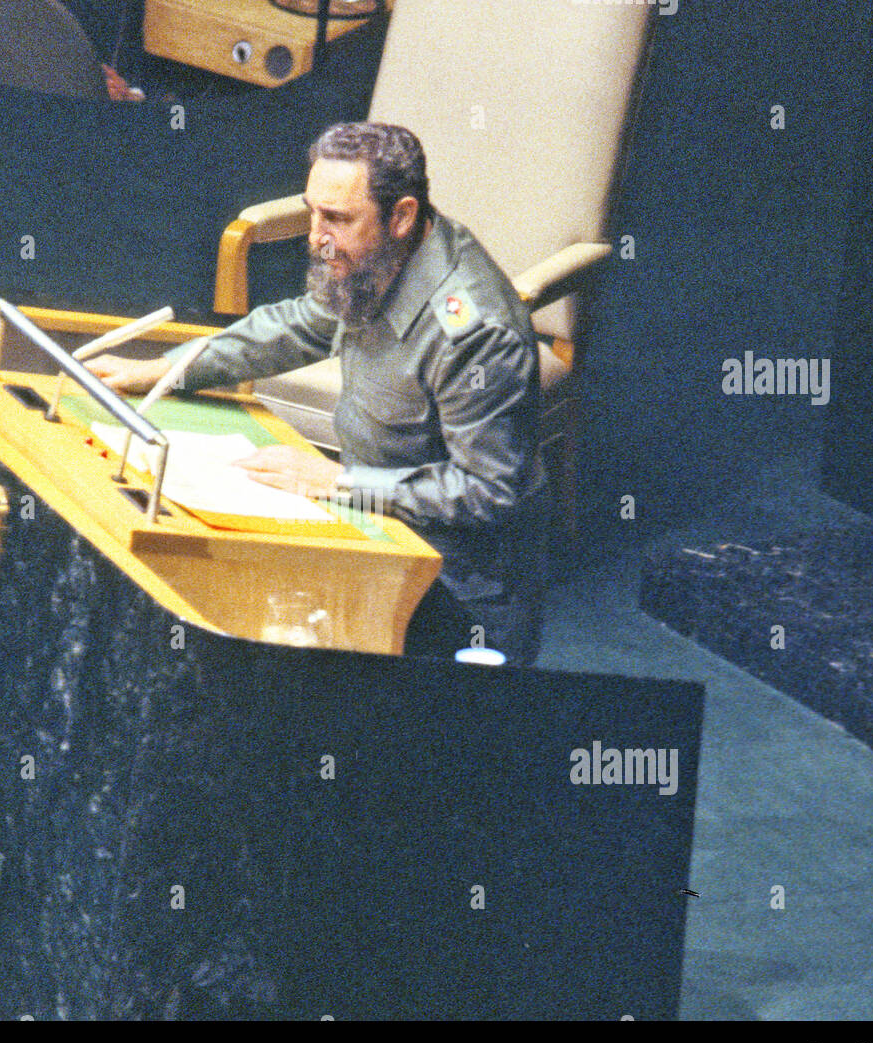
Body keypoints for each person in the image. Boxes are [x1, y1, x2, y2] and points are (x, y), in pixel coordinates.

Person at [88, 122, 549, 664]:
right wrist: (164, 370)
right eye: (313, 211)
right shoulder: (377, 258)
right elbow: (297, 325)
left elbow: (485, 492)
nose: (314, 236)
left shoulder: (473, 333)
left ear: (401, 216)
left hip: (458, 589)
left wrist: (338, 482)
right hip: (372, 529)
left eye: (336, 218)